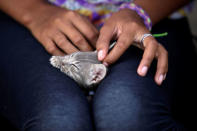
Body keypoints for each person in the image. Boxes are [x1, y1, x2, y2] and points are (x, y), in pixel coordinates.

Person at [0, 0, 196, 130]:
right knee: (59, 119)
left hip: (154, 15)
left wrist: (138, 12)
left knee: (125, 113)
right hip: (29, 15)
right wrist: (34, 12)